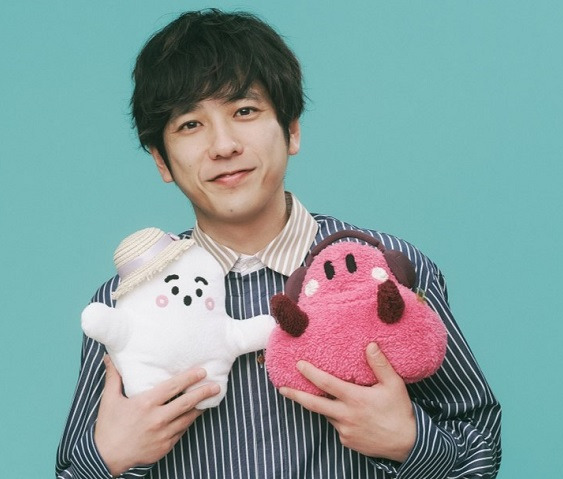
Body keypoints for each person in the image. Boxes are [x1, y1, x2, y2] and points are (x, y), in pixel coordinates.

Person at [56, 9, 501, 479]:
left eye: (244, 111)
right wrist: (108, 458)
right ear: (161, 161)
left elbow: (480, 449)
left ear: (291, 130)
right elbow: (73, 470)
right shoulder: (125, 303)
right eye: (189, 124)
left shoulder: (387, 266)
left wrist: (411, 442)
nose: (223, 145)